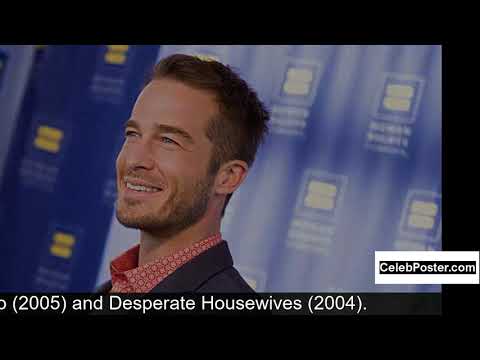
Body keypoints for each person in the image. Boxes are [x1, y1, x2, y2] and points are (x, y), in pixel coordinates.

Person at [96, 53, 269, 293]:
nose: (135, 159)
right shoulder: (113, 290)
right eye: (133, 135)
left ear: (228, 177)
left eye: (168, 140)